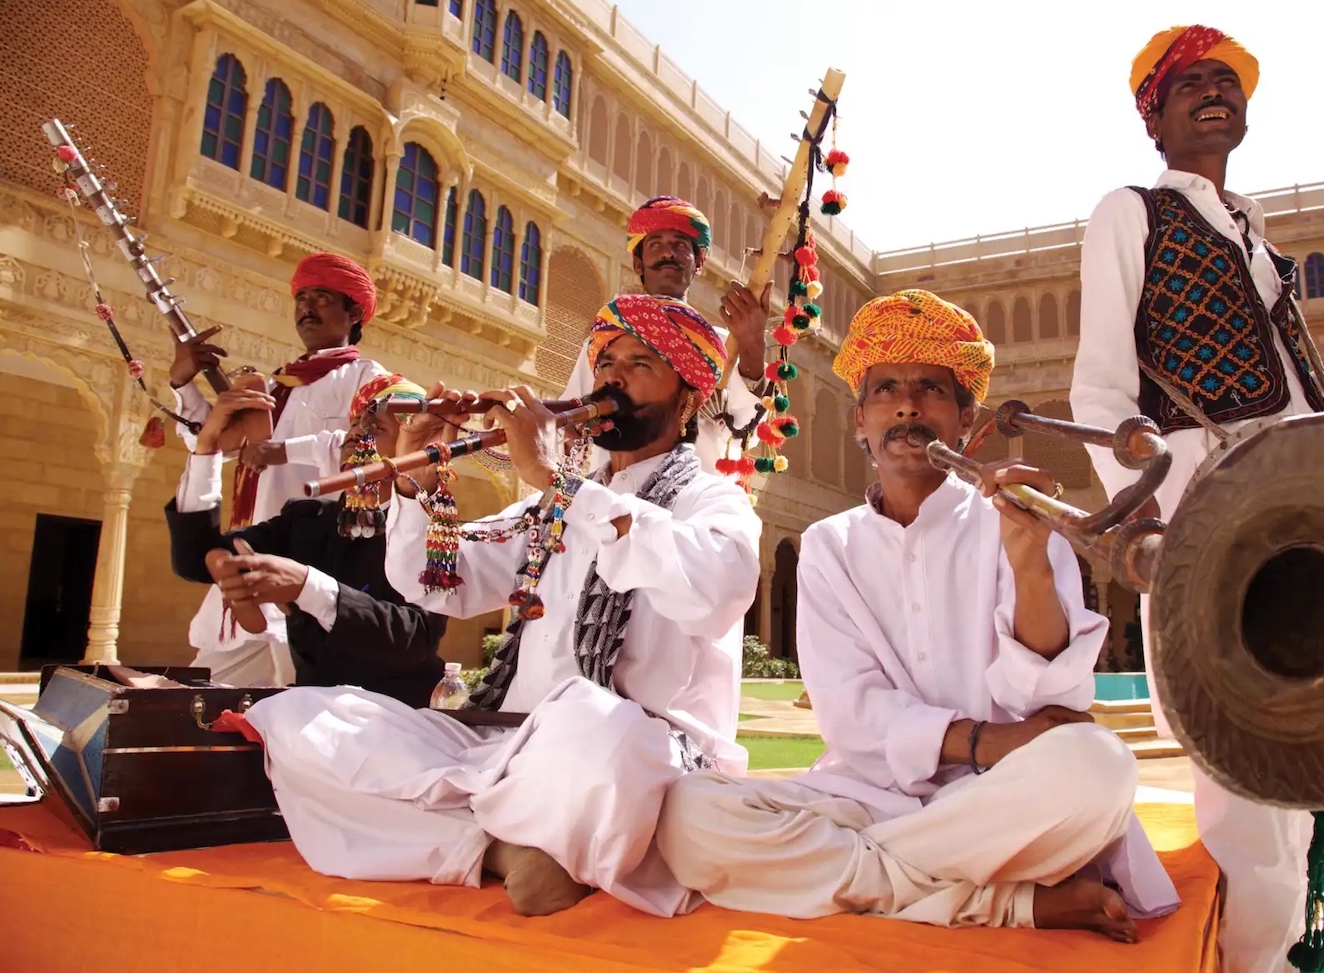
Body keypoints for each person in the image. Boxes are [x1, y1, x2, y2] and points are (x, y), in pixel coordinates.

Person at [1069, 25, 1324, 973]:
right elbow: (1100, 391)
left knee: (1297, 769)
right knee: (1245, 787)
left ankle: (1279, 955)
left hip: (1297, 512)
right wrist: (1158, 520)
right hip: (1207, 516)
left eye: (1227, 82)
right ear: (1154, 119)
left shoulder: (1258, 238)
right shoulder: (1131, 213)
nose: (1214, 93)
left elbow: (1284, 401)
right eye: (1190, 84)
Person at [657, 291, 1176, 941]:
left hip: (999, 798)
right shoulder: (829, 546)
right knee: (686, 811)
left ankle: (872, 880)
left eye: (930, 388)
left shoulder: (1020, 519)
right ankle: (1001, 901)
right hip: (866, 796)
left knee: (1098, 767)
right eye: (887, 390)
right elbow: (849, 714)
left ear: (966, 420)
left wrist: (1030, 565)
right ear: (861, 420)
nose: (906, 406)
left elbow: (1053, 706)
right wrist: (984, 739)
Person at [241, 293, 761, 919]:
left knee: (604, 726)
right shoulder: (551, 507)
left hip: (620, 755)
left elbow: (714, 591)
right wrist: (418, 484)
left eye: (639, 364)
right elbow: (440, 582)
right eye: (605, 363)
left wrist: (558, 482)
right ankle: (505, 849)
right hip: (506, 747)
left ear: (689, 399)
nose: (612, 378)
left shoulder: (712, 501)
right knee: (303, 718)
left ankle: (474, 830)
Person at [169, 253, 390, 685]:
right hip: (251, 554)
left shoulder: (368, 378)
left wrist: (284, 451)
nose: (307, 308)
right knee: (206, 695)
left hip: (311, 567)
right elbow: (211, 443)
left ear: (354, 314)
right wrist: (183, 382)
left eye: (322, 298)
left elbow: (374, 448)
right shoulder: (276, 384)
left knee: (297, 698)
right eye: (301, 299)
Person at [165, 373, 447, 707]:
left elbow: (415, 636)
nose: (357, 432)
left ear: (410, 451)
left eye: (376, 427)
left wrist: (307, 587)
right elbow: (197, 559)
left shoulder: (430, 532)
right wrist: (207, 447)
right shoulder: (307, 520)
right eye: (355, 422)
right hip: (309, 713)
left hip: (395, 717)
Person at [564, 196, 771, 475]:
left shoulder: (723, 345)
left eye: (680, 245)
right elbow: (571, 425)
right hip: (614, 494)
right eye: (655, 244)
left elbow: (746, 435)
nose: (668, 253)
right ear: (638, 264)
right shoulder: (607, 341)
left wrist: (752, 350)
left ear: (698, 264)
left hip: (696, 493)